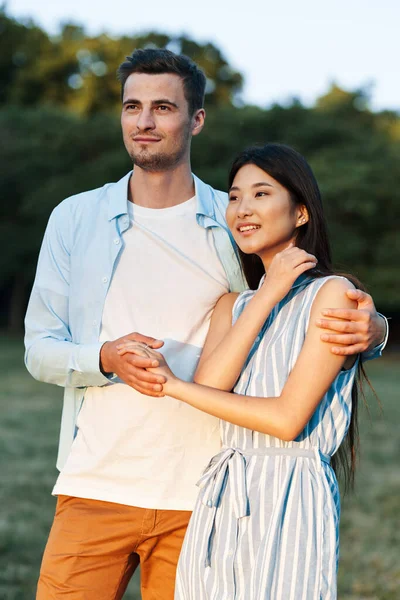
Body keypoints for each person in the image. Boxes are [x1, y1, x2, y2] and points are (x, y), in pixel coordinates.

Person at [24, 49, 387, 600]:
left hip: (203, 495)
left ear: (195, 120)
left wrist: (375, 328)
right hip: (94, 480)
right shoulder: (75, 219)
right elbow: (38, 349)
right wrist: (103, 358)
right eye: (132, 106)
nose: (144, 121)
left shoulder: (233, 219)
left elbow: (298, 301)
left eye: (163, 106)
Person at [117, 143, 381, 599]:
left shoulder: (332, 294)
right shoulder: (232, 305)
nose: (242, 209)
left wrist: (173, 386)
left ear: (300, 213)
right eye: (235, 196)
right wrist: (265, 295)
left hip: (290, 495)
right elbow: (211, 384)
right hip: (221, 498)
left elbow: (286, 419)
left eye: (261, 194)